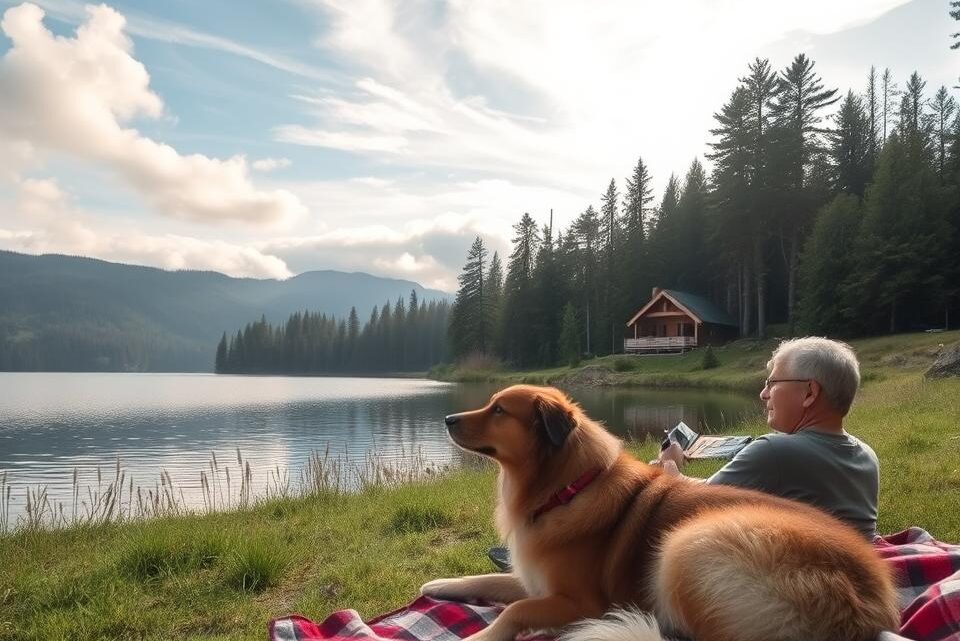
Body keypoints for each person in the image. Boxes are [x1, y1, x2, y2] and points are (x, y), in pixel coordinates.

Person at [658, 336, 880, 539]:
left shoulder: (775, 451)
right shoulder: (867, 455)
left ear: (809, 393)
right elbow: (719, 489)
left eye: (772, 383)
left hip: (801, 578)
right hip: (853, 573)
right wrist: (683, 478)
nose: (763, 394)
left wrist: (670, 464)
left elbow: (692, 506)